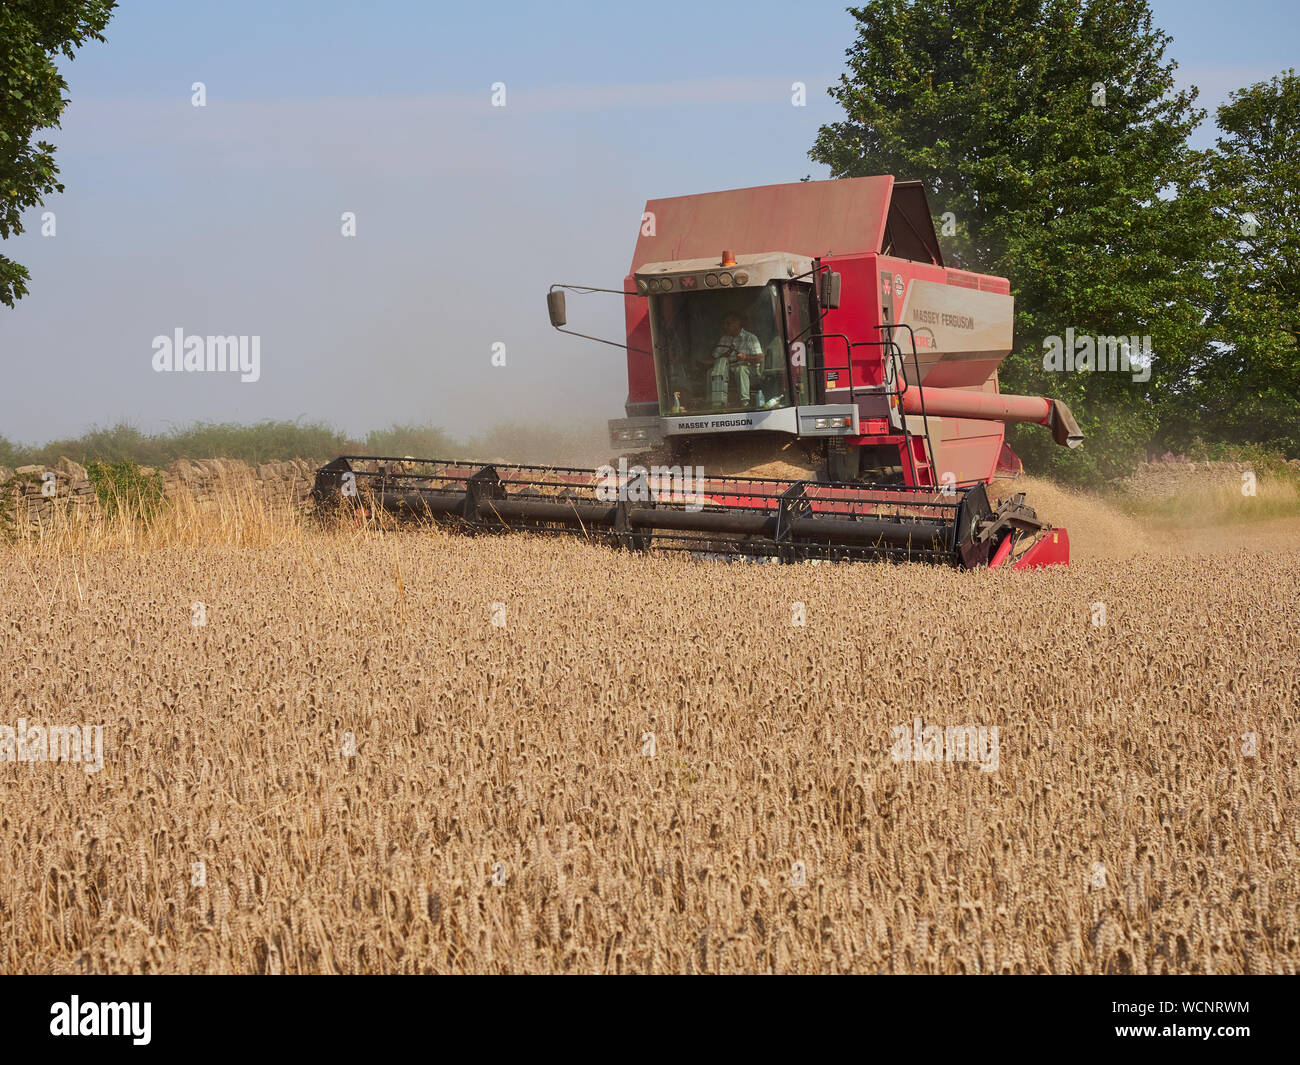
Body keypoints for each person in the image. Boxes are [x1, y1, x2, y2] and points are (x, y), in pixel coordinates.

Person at [708, 313, 763, 407]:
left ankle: (744, 403)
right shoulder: (724, 339)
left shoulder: (750, 338)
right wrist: (723, 355)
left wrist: (745, 357)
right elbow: (715, 357)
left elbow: (760, 358)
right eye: (724, 324)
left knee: (741, 369)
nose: (725, 326)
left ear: (737, 323)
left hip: (749, 371)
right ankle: (713, 402)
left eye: (728, 323)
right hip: (729, 369)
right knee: (711, 372)